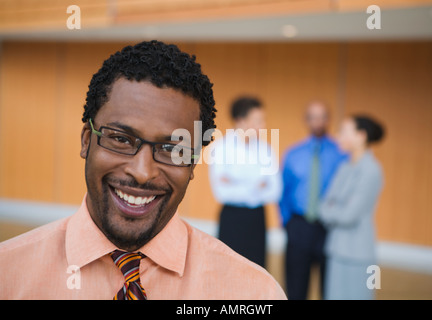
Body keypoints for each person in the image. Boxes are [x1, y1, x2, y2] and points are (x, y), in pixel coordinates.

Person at [0, 41, 286, 300]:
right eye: (121, 139)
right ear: (87, 140)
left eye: (173, 149)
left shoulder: (253, 293)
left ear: (193, 164)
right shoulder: (8, 275)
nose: (142, 172)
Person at [279, 101, 346, 300]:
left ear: (328, 119)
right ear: (306, 121)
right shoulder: (293, 154)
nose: (318, 121)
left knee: (330, 287)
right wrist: (287, 222)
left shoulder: (341, 154)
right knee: (296, 287)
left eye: (322, 116)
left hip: (329, 228)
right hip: (299, 226)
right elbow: (284, 191)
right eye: (313, 116)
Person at [208, 97, 282, 268]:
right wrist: (257, 185)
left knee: (256, 271)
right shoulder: (221, 148)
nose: (263, 126)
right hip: (231, 219)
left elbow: (275, 190)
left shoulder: (266, 150)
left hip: (257, 219)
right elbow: (221, 192)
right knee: (227, 270)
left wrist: (235, 182)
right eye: (258, 121)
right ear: (240, 121)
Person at [319, 115, 384, 300]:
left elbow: (349, 215)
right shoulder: (344, 167)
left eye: (344, 131)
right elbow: (323, 206)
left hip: (359, 254)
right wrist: (335, 208)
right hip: (336, 248)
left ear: (361, 135)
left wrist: (333, 208)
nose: (338, 135)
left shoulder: (372, 170)